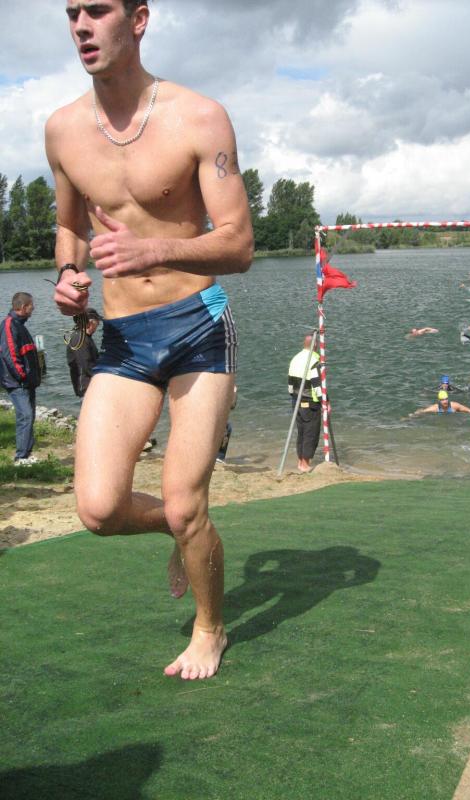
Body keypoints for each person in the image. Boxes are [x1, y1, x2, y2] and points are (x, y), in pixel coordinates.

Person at [46, 0, 253, 681]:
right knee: (99, 509)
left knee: (187, 497)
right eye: (71, 12)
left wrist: (155, 249)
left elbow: (240, 245)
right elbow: (71, 228)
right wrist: (69, 275)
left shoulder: (199, 117)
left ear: (137, 20)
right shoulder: (62, 129)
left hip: (198, 325)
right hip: (124, 339)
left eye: (96, 10)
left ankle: (210, 627)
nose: (81, 25)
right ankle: (179, 528)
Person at [0, 292, 42, 465]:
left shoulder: (20, 325)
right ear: (23, 307)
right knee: (25, 416)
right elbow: (10, 355)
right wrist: (22, 376)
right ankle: (21, 457)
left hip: (27, 382)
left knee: (29, 415)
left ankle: (27, 454)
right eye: (31, 305)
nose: (33, 308)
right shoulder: (9, 324)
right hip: (17, 382)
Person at [288, 334, 322, 472]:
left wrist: (295, 397)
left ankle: (300, 461)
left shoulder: (295, 358)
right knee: (310, 433)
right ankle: (305, 464)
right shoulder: (314, 360)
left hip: (296, 401)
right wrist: (325, 401)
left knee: (301, 432)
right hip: (310, 403)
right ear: (315, 345)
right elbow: (317, 386)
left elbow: (290, 386)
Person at [66, 308, 102, 397]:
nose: (98, 324)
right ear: (90, 322)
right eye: (97, 322)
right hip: (86, 386)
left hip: (89, 384)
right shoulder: (79, 338)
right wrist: (103, 378)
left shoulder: (84, 337)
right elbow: (86, 365)